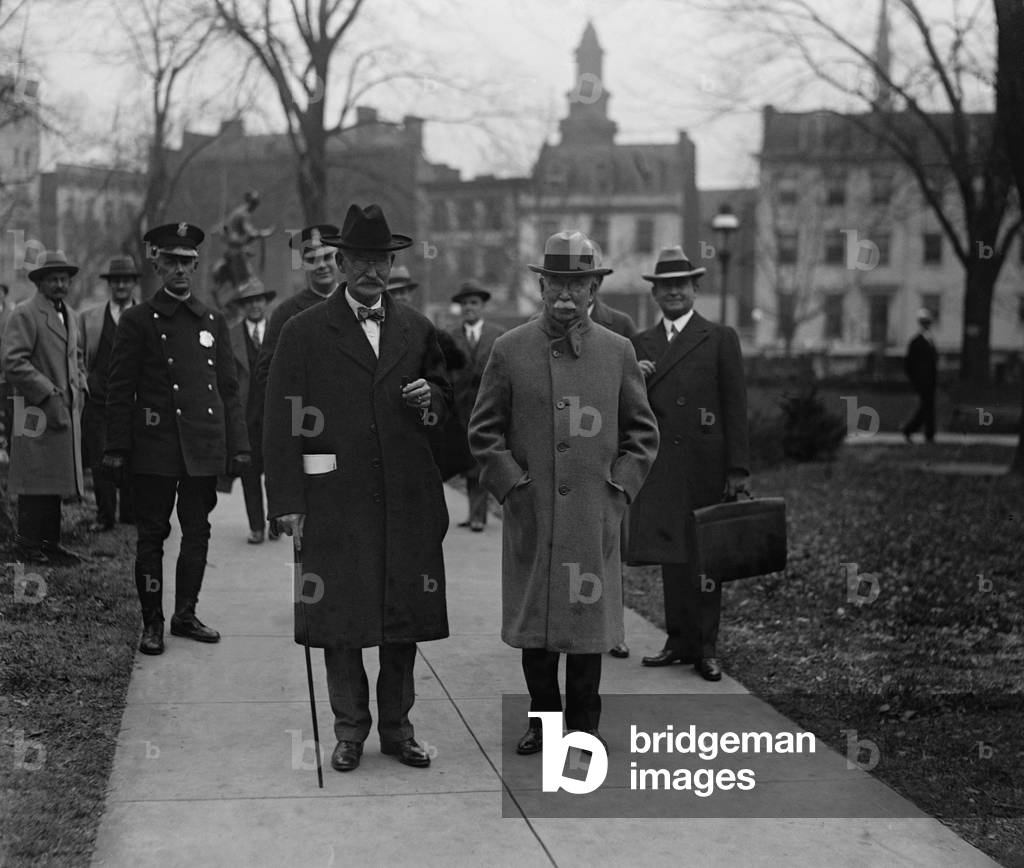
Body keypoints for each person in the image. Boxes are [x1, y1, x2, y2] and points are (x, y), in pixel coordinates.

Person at [264, 203, 452, 773]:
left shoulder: (418, 330)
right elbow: (281, 420)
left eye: (383, 261)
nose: (374, 272)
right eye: (362, 261)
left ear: (393, 264)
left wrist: (431, 404)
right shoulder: (302, 332)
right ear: (341, 263)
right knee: (340, 620)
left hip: (405, 501)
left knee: (401, 620)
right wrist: (289, 504)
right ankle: (349, 731)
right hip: (334, 502)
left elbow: (447, 407)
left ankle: (398, 729)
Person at [469, 230, 658, 754]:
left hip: (593, 514)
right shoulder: (510, 350)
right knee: (537, 628)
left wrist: (618, 491)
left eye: (579, 283)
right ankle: (543, 723)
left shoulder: (618, 352)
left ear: (594, 287)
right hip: (534, 512)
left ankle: (584, 726)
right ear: (543, 286)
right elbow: (483, 432)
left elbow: (643, 434)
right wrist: (514, 489)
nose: (567, 295)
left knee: (587, 627)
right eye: (558, 283)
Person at [102, 222, 250, 656]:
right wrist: (115, 448)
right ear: (157, 265)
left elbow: (228, 389)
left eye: (187, 262)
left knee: (198, 531)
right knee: (152, 534)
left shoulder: (212, 320)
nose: (180, 270)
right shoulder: (137, 321)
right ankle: (152, 622)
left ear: (197, 266)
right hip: (155, 448)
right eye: (171, 262)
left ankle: (185, 613)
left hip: (202, 447)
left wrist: (238, 446)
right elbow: (118, 388)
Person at [627, 246, 750, 683]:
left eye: (681, 284)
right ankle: (677, 641)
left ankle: (706, 647)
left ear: (696, 288)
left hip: (706, 466)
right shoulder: (639, 345)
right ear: (656, 293)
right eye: (665, 286)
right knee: (671, 556)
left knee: (705, 561)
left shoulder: (719, 338)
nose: (674, 292)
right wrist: (634, 379)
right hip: (660, 467)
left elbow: (735, 408)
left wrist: (737, 470)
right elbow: (628, 409)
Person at [1, 250, 88, 564]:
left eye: (64, 279)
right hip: (35, 412)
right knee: (34, 479)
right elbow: (13, 362)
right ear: (40, 282)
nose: (60, 284)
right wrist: (47, 392)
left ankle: (51, 545)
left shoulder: (71, 314)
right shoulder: (25, 313)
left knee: (55, 480)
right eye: (53, 279)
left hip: (64, 409)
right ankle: (28, 546)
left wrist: (81, 383)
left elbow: (76, 357)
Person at [79, 255, 139, 532]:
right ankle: (105, 516)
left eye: (126, 280)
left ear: (134, 284)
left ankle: (129, 513)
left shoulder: (146, 316)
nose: (121, 285)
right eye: (116, 281)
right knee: (100, 458)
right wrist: (84, 380)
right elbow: (78, 355)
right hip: (99, 399)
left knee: (132, 455)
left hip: (134, 401)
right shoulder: (90, 318)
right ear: (110, 285)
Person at [448, 280, 505, 532]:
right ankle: (474, 513)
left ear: (482, 306)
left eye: (474, 303)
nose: (469, 308)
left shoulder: (498, 336)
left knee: (481, 462)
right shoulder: (450, 336)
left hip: (488, 409)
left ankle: (479, 517)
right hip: (459, 411)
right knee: (467, 464)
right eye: (465, 304)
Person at [230, 277, 278, 544]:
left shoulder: (278, 330)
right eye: (249, 301)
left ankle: (275, 522)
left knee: (275, 474)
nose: (255, 305)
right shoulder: (231, 335)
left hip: (273, 417)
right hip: (246, 419)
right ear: (242, 306)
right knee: (249, 475)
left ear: (265, 302)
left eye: (258, 300)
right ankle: (256, 527)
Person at [901, 308, 938, 444]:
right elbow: (909, 364)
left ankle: (924, 433)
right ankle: (913, 430)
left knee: (928, 407)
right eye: (925, 323)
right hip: (922, 381)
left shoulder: (930, 340)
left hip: (930, 381)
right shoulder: (916, 342)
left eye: (928, 323)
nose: (927, 325)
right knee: (926, 407)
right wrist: (915, 380)